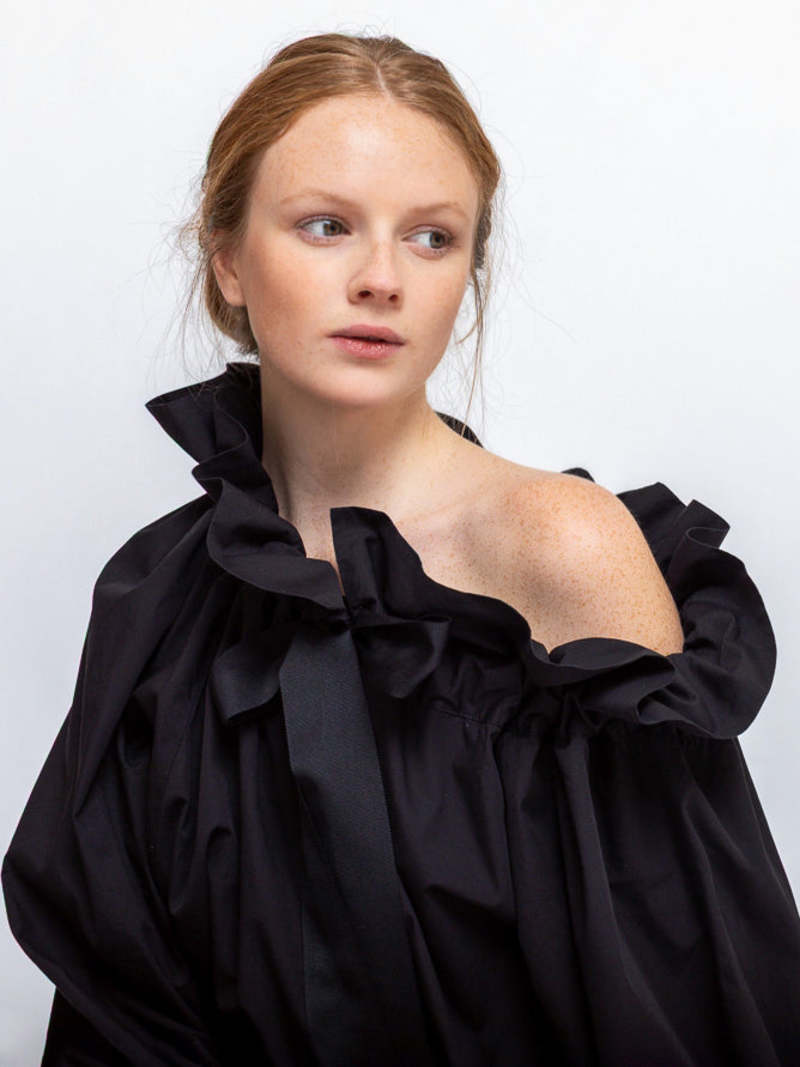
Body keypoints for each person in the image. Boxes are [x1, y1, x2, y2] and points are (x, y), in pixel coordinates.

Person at [3, 31, 800, 1067]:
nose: (381, 277)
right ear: (228, 256)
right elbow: (118, 1015)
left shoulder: (559, 546)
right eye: (326, 225)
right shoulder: (163, 597)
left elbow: (692, 1006)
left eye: (431, 237)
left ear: (467, 272)